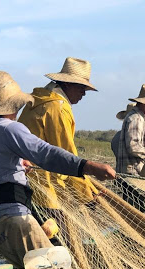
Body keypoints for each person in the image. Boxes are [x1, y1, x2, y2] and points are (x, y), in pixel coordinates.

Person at [0, 71, 115, 269]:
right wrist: (86, 166)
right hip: (16, 220)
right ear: (16, 104)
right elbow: (46, 153)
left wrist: (18, 165)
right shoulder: (11, 128)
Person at [18, 57, 100, 210]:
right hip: (43, 188)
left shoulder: (37, 101)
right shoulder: (58, 108)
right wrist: (86, 194)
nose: (84, 93)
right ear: (68, 84)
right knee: (55, 230)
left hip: (21, 180)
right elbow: (66, 154)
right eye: (81, 87)